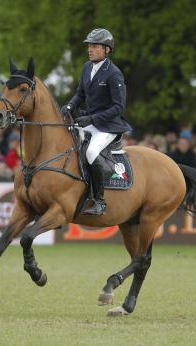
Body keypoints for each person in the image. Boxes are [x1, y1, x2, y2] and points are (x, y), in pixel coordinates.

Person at [60, 28, 132, 215]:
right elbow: (80, 94)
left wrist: (92, 118)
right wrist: (69, 106)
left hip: (108, 126)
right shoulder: (86, 67)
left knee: (91, 152)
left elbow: (118, 107)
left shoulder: (114, 74)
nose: (90, 49)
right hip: (90, 121)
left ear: (107, 49)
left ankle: (100, 201)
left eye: (94, 46)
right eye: (89, 46)